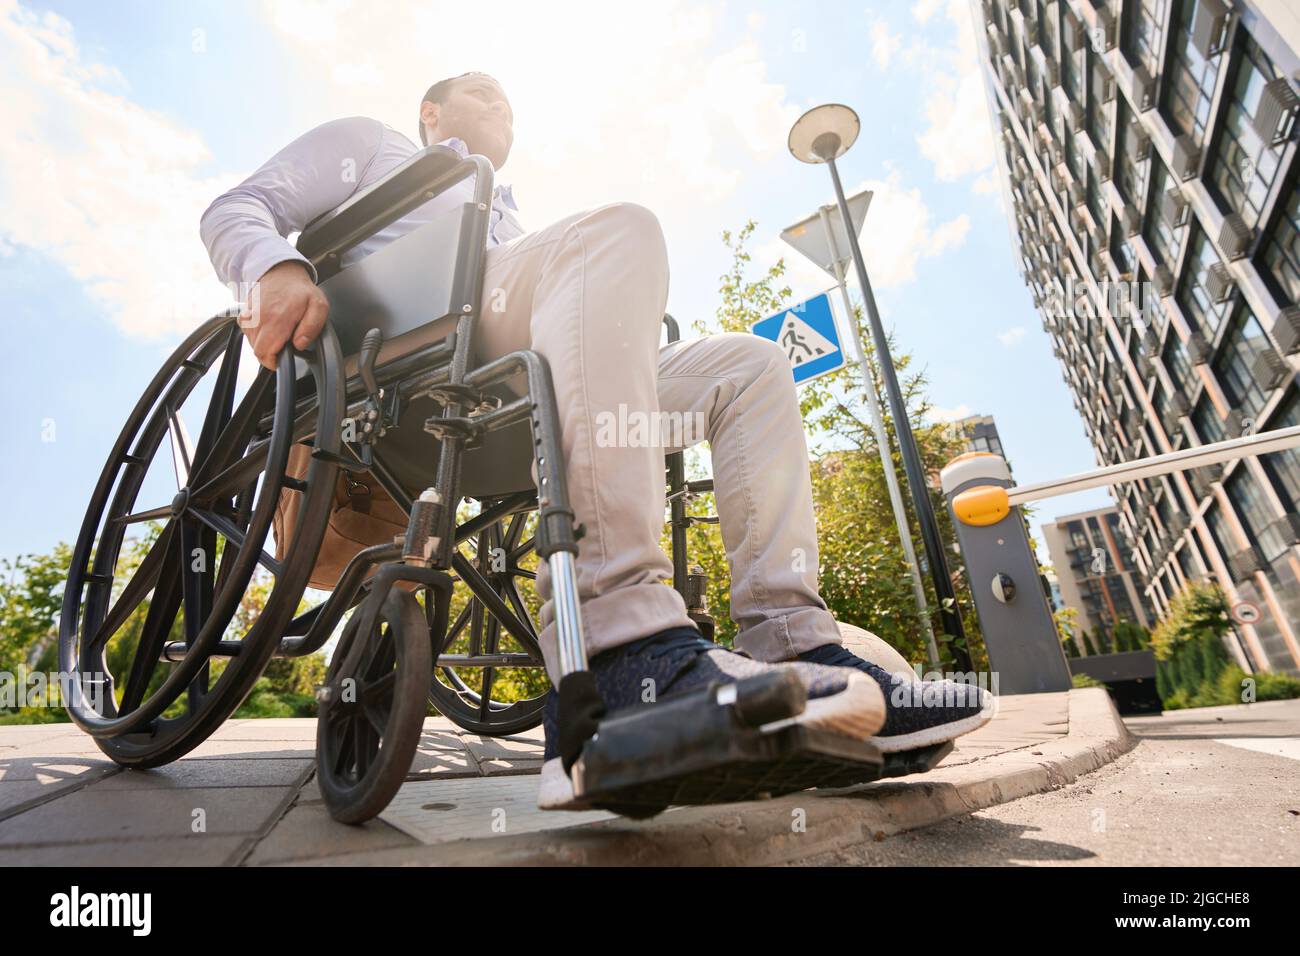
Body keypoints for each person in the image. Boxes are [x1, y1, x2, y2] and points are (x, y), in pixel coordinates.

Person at [199, 71, 992, 810]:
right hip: (410, 362)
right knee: (616, 232)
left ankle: (797, 651)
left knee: (749, 366)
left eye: (508, 97)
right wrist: (272, 267)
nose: (501, 103)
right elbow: (236, 208)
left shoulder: (510, 216)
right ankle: (620, 652)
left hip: (511, 374)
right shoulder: (371, 147)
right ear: (430, 113)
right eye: (482, 91)